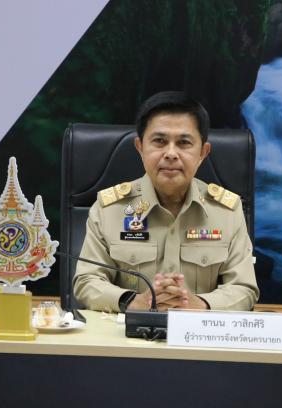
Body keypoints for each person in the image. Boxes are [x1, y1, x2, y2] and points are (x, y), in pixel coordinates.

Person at [73, 91, 259, 313]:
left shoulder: (227, 211)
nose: (171, 153)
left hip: (197, 332)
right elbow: (87, 281)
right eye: (159, 141)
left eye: (184, 143)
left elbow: (243, 288)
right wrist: (133, 301)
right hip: (127, 331)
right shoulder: (110, 209)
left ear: (203, 152)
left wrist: (199, 304)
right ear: (140, 147)